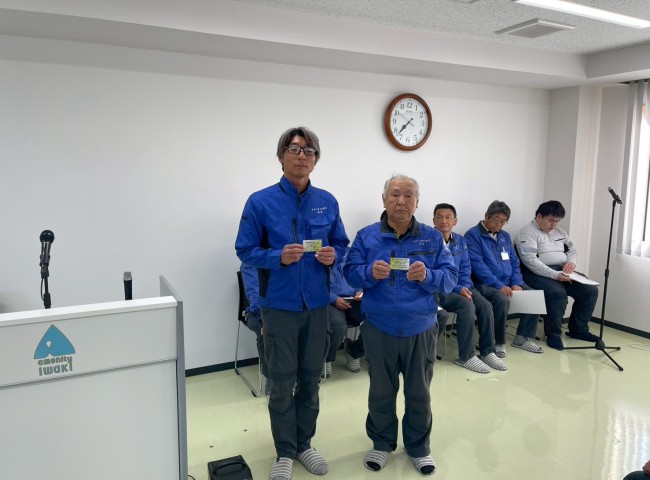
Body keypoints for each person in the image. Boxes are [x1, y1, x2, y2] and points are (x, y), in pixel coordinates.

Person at [235, 126, 349, 480]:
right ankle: (284, 451)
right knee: (282, 382)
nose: (302, 156)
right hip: (279, 306)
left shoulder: (327, 201)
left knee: (312, 379)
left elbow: (342, 245)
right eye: (295, 149)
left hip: (316, 306)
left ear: (316, 160)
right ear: (281, 156)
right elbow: (245, 250)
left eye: (309, 151)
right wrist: (277, 257)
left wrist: (333, 255)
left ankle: (304, 444)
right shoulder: (260, 202)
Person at [344, 174, 457, 476]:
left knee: (419, 393)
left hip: (420, 327)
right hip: (379, 327)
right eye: (394, 195)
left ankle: (418, 448)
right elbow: (349, 273)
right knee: (381, 391)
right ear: (384, 200)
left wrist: (428, 276)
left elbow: (450, 279)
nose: (401, 201)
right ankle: (381, 444)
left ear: (417, 202)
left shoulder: (432, 238)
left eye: (408, 195)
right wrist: (369, 272)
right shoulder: (366, 236)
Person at [433, 203, 507, 373]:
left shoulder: (460, 241)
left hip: (462, 286)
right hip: (440, 289)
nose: (444, 221)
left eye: (448, 217)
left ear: (455, 221)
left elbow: (466, 268)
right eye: (440, 217)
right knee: (466, 305)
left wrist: (465, 286)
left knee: (485, 305)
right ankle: (466, 356)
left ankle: (488, 352)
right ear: (434, 221)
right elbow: (435, 273)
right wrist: (458, 288)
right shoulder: (428, 241)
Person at [516, 200, 599, 350]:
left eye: (557, 221)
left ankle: (578, 329)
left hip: (561, 271)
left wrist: (571, 262)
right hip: (536, 273)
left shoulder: (561, 233)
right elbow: (531, 261)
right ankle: (553, 334)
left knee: (590, 291)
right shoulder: (527, 233)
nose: (554, 225)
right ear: (539, 216)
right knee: (557, 294)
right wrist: (555, 275)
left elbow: (572, 251)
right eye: (550, 220)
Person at [464, 200, 543, 358]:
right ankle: (499, 342)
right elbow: (478, 267)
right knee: (501, 300)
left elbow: (514, 262)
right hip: (484, 282)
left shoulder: (505, 237)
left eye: (503, 221)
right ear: (486, 216)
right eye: (496, 220)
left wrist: (516, 283)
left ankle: (522, 337)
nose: (499, 225)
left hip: (508, 281)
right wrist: (499, 285)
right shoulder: (472, 235)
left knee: (534, 295)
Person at [327, 246, 363, 374]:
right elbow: (313, 286)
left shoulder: (350, 252)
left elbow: (358, 273)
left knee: (376, 320)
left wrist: (360, 290)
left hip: (353, 299)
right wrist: (334, 299)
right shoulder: (318, 253)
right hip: (330, 301)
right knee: (338, 326)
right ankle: (326, 358)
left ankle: (354, 352)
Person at [240, 262, 272, 395]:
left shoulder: (283, 259)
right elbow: (255, 296)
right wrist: (266, 320)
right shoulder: (250, 263)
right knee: (268, 333)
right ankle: (271, 380)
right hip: (257, 313)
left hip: (282, 311)